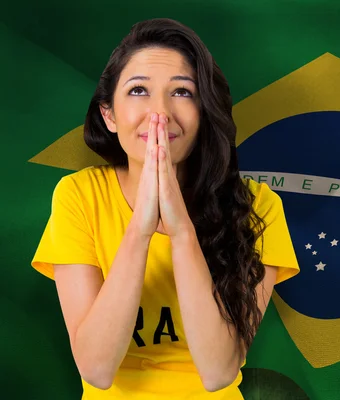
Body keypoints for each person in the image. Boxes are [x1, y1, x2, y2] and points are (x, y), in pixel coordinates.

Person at [30, 17, 300, 399]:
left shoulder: (257, 206)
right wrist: (140, 228)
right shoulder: (79, 195)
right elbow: (96, 368)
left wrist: (181, 232)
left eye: (183, 93)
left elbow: (219, 371)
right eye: (138, 90)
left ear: (205, 112)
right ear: (109, 115)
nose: (160, 114)